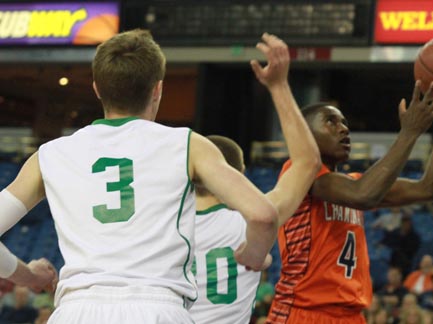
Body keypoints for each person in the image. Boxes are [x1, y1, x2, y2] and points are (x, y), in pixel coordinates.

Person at [0, 29, 280, 324]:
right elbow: (263, 215)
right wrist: (253, 255)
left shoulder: (50, 155)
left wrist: (28, 276)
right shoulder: (188, 145)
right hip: (157, 307)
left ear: (97, 88)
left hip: (77, 311)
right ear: (158, 88)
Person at [267, 75, 433, 324]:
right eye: (331, 121)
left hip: (350, 315)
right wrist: (409, 132)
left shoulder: (351, 183)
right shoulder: (298, 173)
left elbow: (429, 189)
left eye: (345, 122)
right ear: (305, 135)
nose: (343, 128)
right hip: (304, 313)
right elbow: (364, 195)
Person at [191, 34, 320, 324]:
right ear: (240, 176)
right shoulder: (252, 219)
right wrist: (279, 86)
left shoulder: (162, 221)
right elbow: (307, 163)